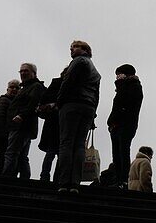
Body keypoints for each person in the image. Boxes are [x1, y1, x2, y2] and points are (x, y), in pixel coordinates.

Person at [52, 40, 101, 194]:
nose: (72, 50)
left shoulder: (78, 61)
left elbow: (68, 82)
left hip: (72, 104)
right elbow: (96, 95)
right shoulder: (95, 72)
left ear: (85, 49)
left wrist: (59, 101)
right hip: (88, 107)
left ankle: (64, 181)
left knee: (66, 143)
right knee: (79, 145)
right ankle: (75, 183)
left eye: (75, 47)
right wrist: (93, 113)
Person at [3, 63, 45, 179]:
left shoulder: (36, 87)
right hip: (20, 126)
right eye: (21, 71)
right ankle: (23, 179)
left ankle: (5, 179)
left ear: (34, 73)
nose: (23, 73)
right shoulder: (25, 88)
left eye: (26, 71)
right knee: (22, 156)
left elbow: (33, 104)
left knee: (11, 153)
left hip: (21, 125)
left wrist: (21, 115)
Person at [107, 64, 143, 189]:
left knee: (123, 151)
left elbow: (125, 101)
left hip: (126, 124)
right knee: (116, 153)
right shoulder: (124, 86)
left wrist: (121, 84)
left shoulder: (134, 86)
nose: (117, 77)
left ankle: (123, 180)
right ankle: (118, 179)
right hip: (117, 124)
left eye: (119, 74)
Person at [36, 73, 63, 182]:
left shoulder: (56, 83)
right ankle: (50, 177)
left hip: (54, 123)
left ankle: (46, 176)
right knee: (56, 152)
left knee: (52, 152)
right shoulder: (58, 83)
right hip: (57, 123)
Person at [0, 80, 19, 175]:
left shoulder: (13, 101)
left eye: (17, 88)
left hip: (7, 134)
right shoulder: (4, 100)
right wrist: (4, 132)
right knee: (3, 158)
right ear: (7, 89)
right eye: (12, 87)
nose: (14, 89)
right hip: (3, 135)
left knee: (4, 159)